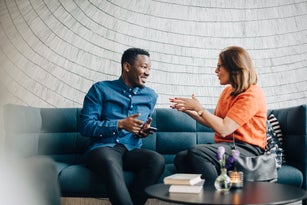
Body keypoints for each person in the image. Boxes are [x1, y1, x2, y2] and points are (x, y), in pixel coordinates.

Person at [169, 46, 267, 184]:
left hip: (248, 149)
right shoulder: (227, 91)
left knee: (197, 152)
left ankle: (218, 196)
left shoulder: (252, 94)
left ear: (234, 68)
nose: (216, 71)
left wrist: (199, 108)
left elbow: (224, 128)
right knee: (181, 157)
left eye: (219, 67)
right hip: (227, 147)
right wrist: (189, 109)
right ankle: (202, 195)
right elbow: (215, 123)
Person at [80, 48, 165, 205]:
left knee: (156, 160)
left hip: (131, 150)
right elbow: (86, 126)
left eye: (149, 68)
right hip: (103, 148)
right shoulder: (100, 89)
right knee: (110, 161)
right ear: (127, 67)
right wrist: (119, 124)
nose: (148, 73)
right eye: (144, 67)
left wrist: (142, 131)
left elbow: (136, 129)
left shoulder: (150, 96)